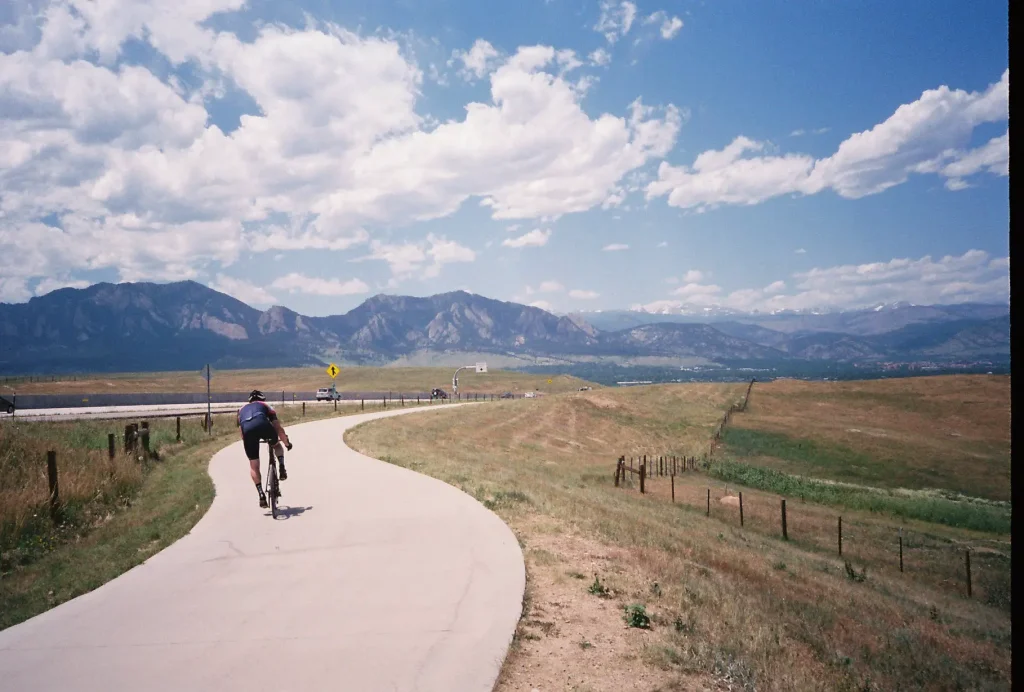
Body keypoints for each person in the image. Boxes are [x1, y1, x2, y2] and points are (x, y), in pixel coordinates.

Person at [237, 389, 292, 508]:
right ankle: (281, 466)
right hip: (262, 425)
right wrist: (287, 443)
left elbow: (242, 433)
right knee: (276, 444)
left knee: (253, 465)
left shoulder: (241, 410)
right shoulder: (266, 406)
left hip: (247, 431)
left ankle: (261, 495)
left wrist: (249, 444)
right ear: (262, 399)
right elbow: (278, 427)